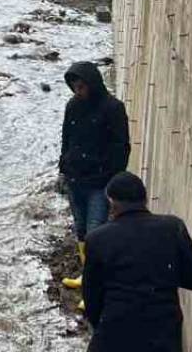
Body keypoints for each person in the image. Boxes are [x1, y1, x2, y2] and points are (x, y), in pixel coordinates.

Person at [82, 172, 192, 352]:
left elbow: (92, 298)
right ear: (145, 198)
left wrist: (105, 322)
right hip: (163, 332)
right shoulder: (172, 228)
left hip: (115, 332)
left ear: (112, 203)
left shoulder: (98, 239)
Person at [58, 61, 129, 294]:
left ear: (92, 84)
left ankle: (96, 286)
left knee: (95, 233)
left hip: (99, 183)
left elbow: (121, 146)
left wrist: (112, 178)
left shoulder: (113, 108)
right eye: (74, 87)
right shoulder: (72, 106)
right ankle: (88, 276)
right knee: (80, 229)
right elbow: (66, 138)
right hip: (75, 179)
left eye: (81, 87)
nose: (78, 92)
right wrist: (64, 169)